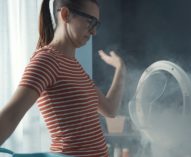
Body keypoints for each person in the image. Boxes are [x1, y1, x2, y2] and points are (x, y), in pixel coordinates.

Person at [0, 0, 126, 156]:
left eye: (96, 24)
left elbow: (110, 109)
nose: (94, 32)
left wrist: (120, 68)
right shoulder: (47, 60)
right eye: (90, 22)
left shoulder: (74, 67)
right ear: (65, 15)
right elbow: (10, 117)